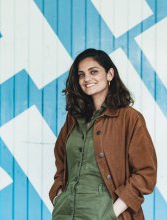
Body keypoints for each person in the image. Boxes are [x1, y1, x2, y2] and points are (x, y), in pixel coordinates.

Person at [49, 48, 157, 220]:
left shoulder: (129, 118)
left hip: (105, 214)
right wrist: (59, 195)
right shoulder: (73, 118)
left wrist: (112, 212)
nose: (86, 79)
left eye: (93, 72)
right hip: (65, 213)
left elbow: (146, 173)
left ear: (110, 74)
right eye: (81, 74)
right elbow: (61, 159)